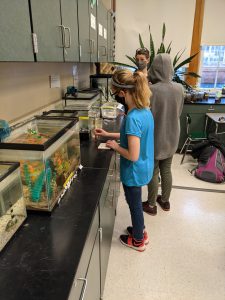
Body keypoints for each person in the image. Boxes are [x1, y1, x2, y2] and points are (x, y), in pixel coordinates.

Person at [95, 69, 154, 252]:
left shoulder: (133, 118)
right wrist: (108, 134)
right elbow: (131, 137)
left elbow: (132, 154)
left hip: (134, 170)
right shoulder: (144, 111)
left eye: (115, 93)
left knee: (134, 205)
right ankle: (140, 230)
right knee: (136, 203)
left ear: (123, 93)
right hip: (145, 166)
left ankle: (138, 241)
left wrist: (114, 146)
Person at [142, 53, 184, 216]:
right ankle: (165, 201)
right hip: (173, 134)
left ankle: (151, 205)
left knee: (153, 171)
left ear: (155, 68)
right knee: (167, 169)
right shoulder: (179, 89)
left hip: (156, 136)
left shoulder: (151, 90)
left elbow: (146, 115)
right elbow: (178, 112)